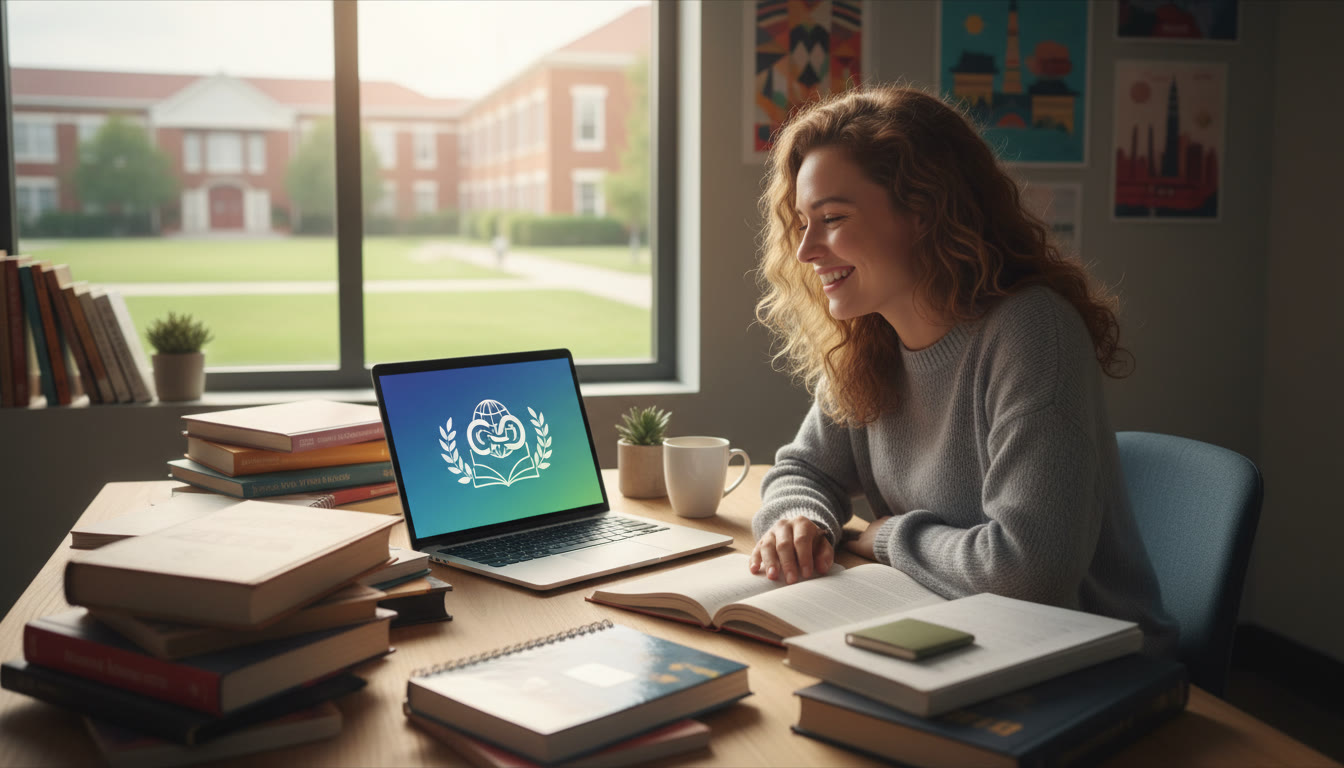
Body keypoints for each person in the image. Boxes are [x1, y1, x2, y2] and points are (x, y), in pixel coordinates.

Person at [748, 85, 1178, 655]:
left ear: (922, 210)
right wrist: (799, 522)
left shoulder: (1031, 333)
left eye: (830, 218)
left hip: (1089, 662)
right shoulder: (871, 339)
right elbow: (802, 470)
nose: (805, 251)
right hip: (960, 636)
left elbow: (1030, 575)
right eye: (802, 222)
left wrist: (884, 537)